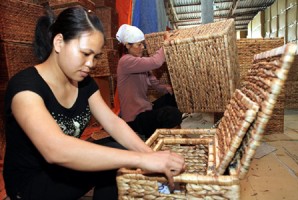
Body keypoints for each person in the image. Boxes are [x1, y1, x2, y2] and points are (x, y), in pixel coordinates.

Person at [3, 6, 185, 200]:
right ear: (59, 42)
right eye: (85, 53)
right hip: (31, 186)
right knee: (118, 156)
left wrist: (151, 155)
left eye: (95, 56)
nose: (91, 63)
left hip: (63, 170)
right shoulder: (25, 87)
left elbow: (114, 123)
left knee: (118, 152)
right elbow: (55, 150)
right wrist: (142, 159)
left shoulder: (84, 83)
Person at [116, 24, 182, 140]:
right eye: (139, 44)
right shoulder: (125, 61)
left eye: (143, 44)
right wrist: (165, 43)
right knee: (172, 114)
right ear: (127, 45)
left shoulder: (138, 63)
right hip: (135, 119)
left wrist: (168, 90)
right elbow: (155, 62)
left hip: (146, 110)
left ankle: (158, 132)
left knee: (173, 97)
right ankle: (156, 138)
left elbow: (154, 83)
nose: (142, 47)